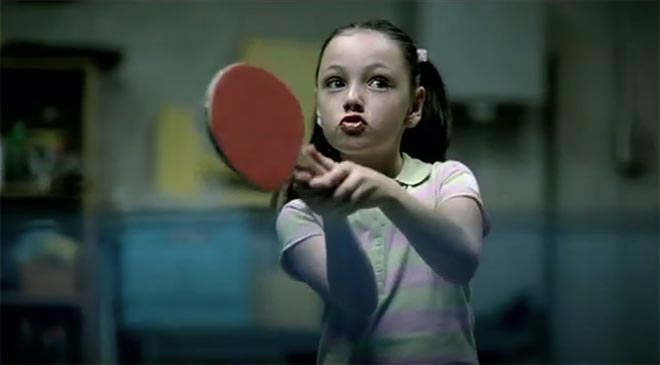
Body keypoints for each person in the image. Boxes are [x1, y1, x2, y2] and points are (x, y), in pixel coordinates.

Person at [274, 19, 490, 364]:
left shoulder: (449, 180)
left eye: (379, 82)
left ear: (415, 106)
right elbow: (356, 302)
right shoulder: (301, 214)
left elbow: (461, 261)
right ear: (318, 109)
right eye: (335, 83)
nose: (352, 98)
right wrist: (333, 216)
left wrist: (388, 194)